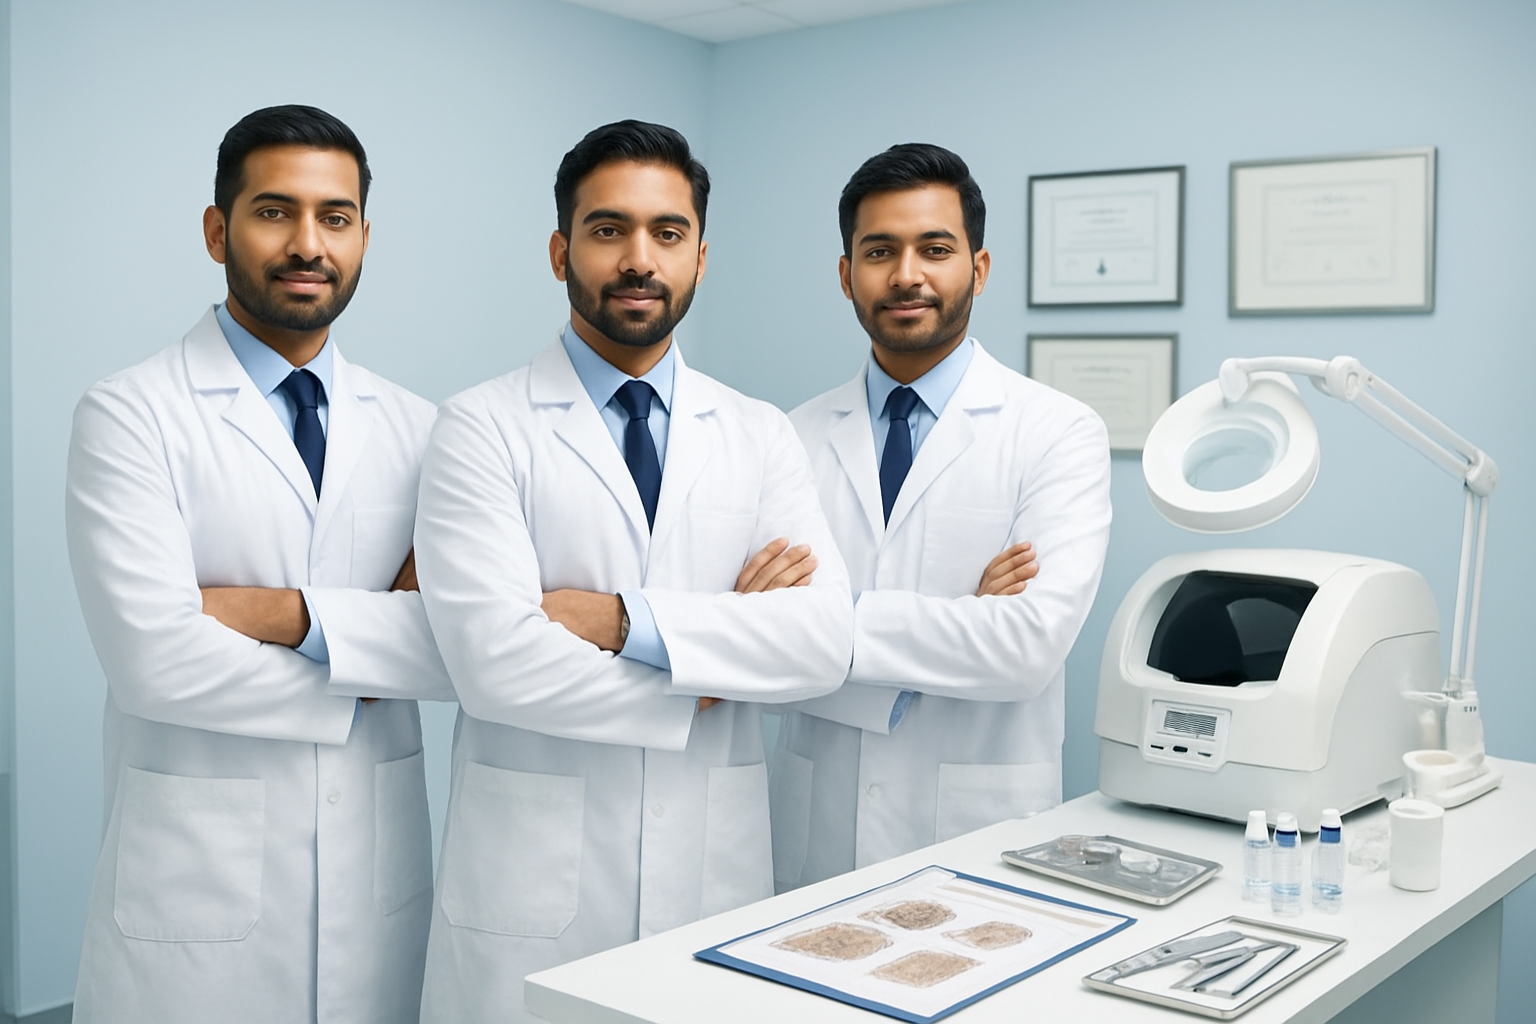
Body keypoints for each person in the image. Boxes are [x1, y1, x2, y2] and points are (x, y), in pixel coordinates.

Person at [414, 120, 854, 1022]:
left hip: (711, 866)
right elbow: (495, 665)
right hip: (530, 881)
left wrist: (621, 624)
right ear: (559, 249)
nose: (638, 258)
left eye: (667, 232)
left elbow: (821, 645)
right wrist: (712, 664)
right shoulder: (479, 426)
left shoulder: (758, 432)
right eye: (608, 229)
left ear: (700, 254)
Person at [65, 105, 454, 1024]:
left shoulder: (422, 428)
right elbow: (155, 662)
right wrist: (373, 648)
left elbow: (460, 647)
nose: (307, 243)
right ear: (218, 230)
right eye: (274, 211)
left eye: (336, 216)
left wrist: (276, 616)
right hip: (194, 892)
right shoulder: (130, 414)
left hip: (374, 875)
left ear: (363, 235)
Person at [769, 143, 1112, 890]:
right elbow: (755, 647)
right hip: (813, 829)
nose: (906, 275)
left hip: (979, 832)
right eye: (879, 251)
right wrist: (961, 620)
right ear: (845, 274)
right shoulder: (789, 438)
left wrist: (816, 623)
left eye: (935, 248)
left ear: (978, 270)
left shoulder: (1057, 430)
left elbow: (1026, 650)